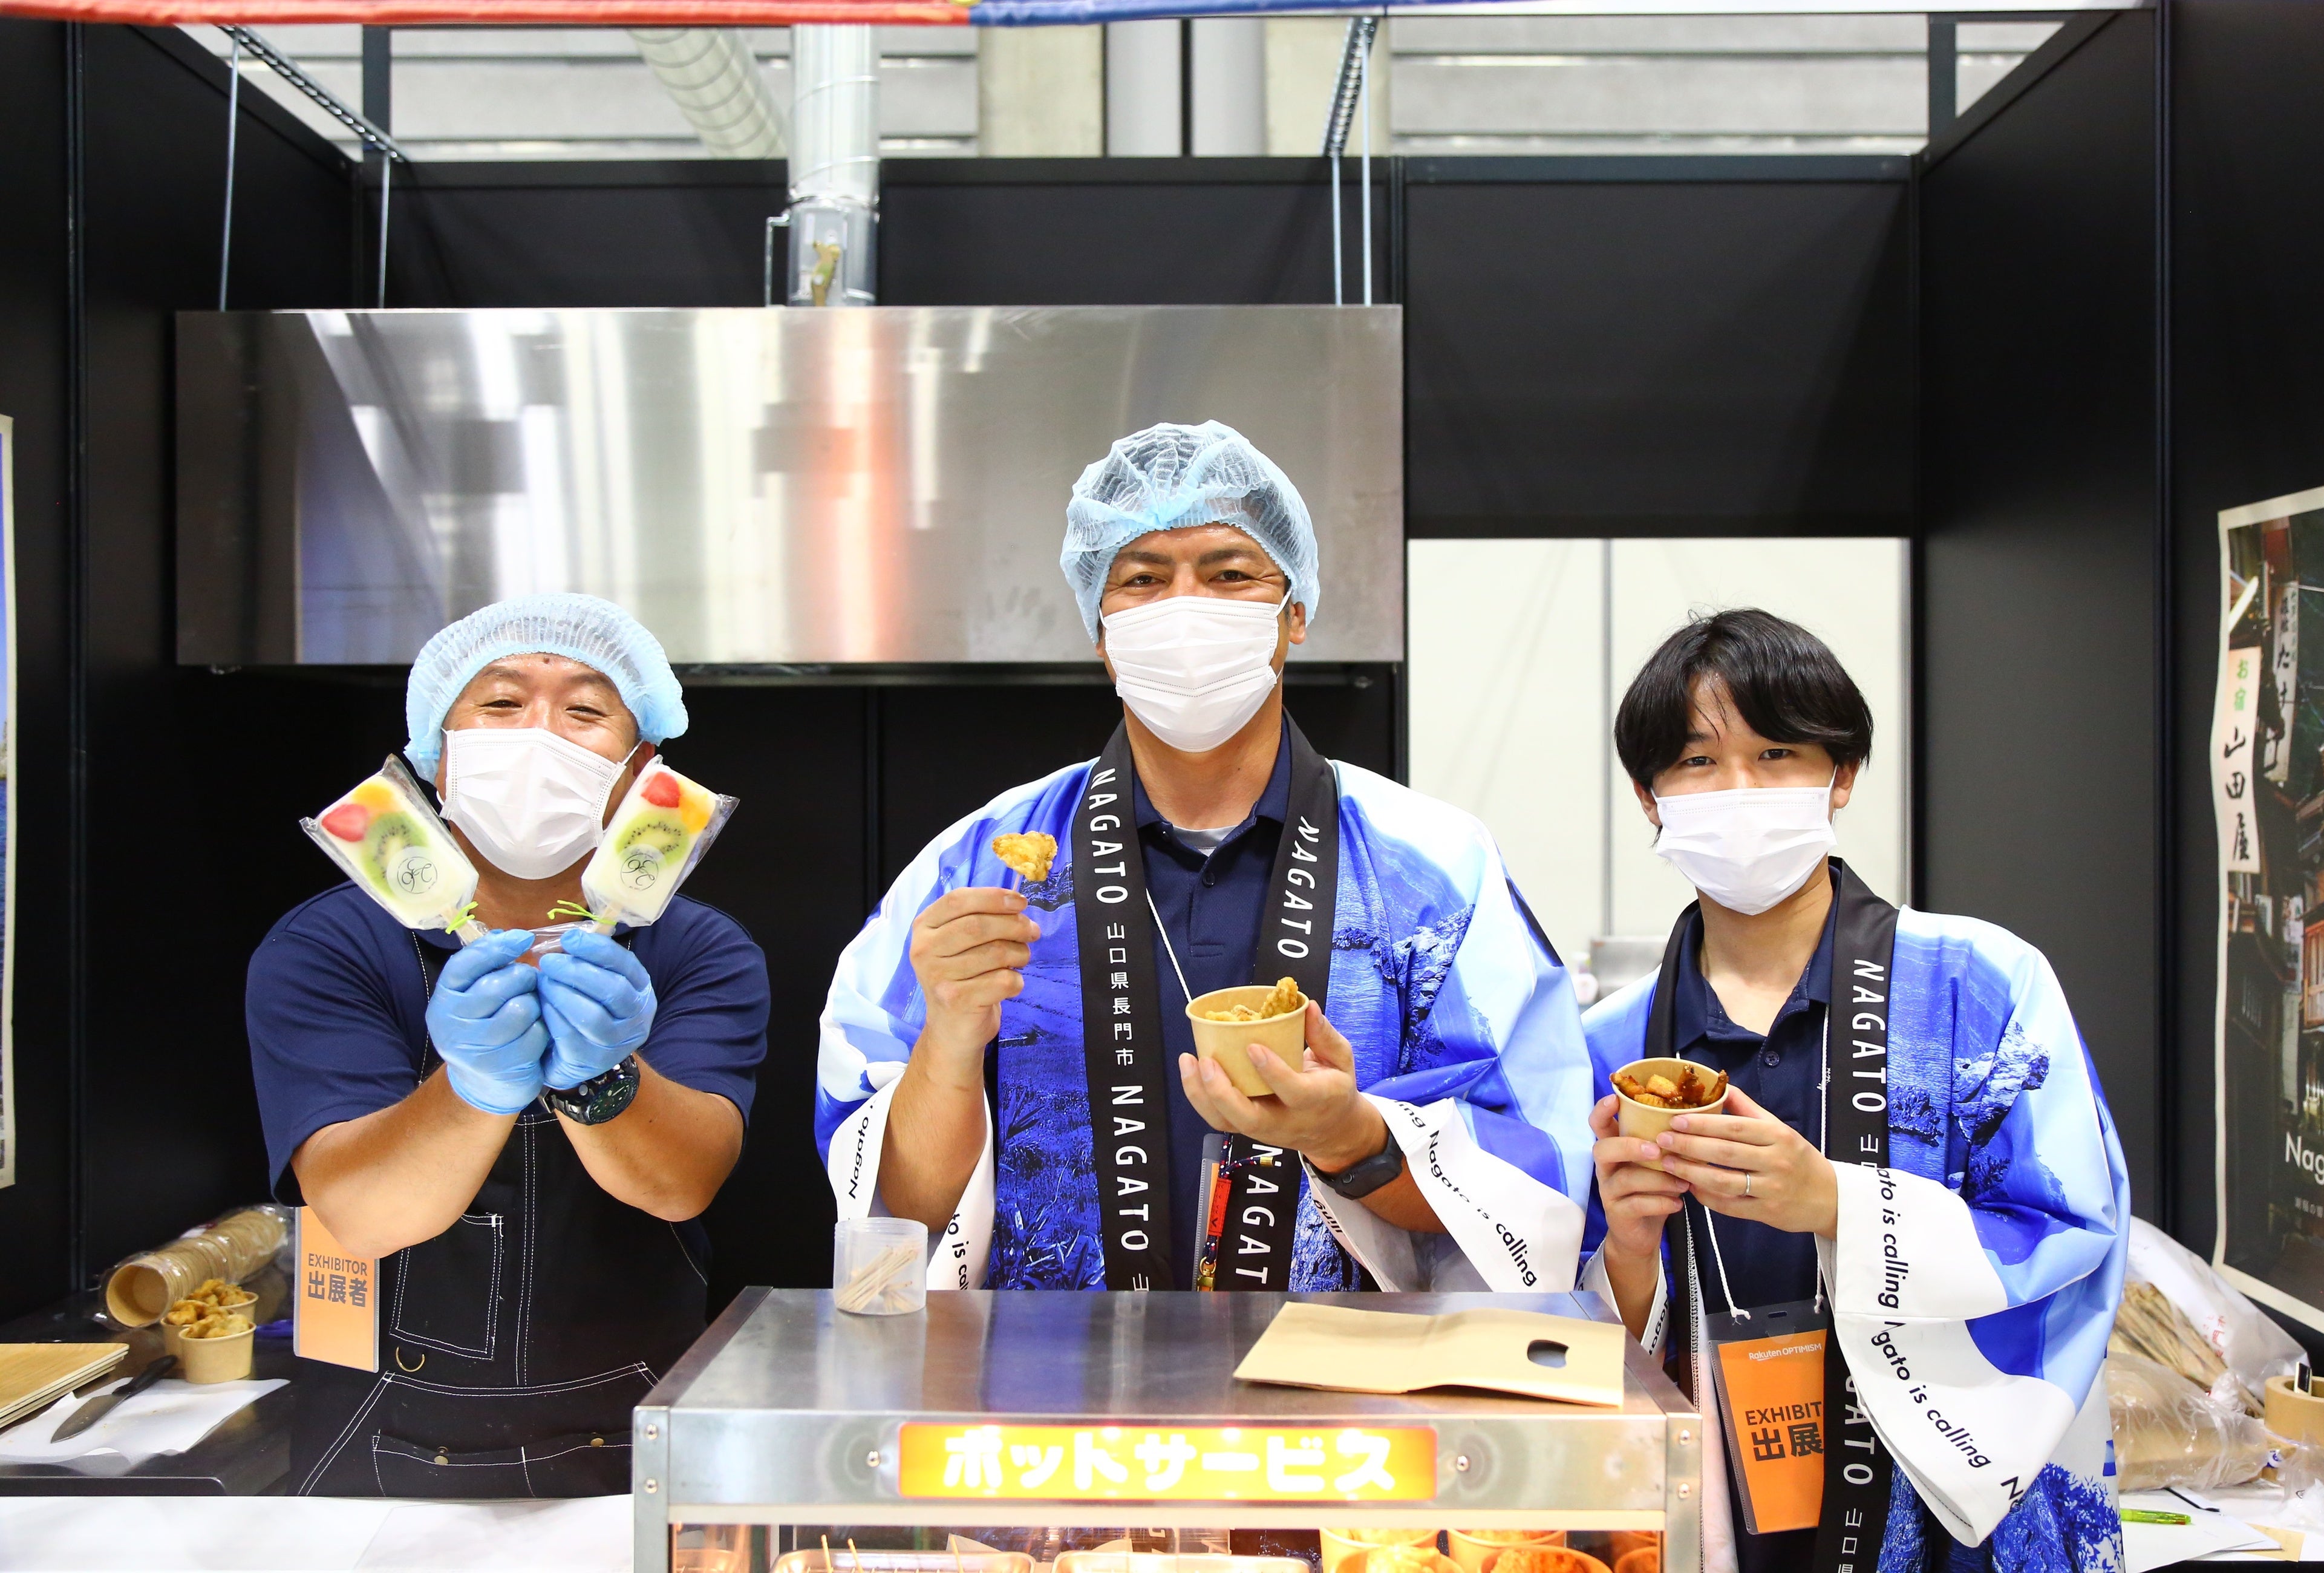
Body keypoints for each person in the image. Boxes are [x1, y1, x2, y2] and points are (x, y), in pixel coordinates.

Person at [818, 420, 1590, 1292]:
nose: (1185, 609)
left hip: (1343, 1374)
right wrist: (951, 1042)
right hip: (1046, 1373)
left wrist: (1349, 1141)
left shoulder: (1435, 872)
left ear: (1294, 613)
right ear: (1100, 630)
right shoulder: (974, 874)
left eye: (1230, 575)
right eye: (1143, 580)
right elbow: (897, 1220)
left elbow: (1535, 1185)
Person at [1579, 609, 2127, 1573]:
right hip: (1712, 1512)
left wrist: (1836, 1204)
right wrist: (1627, 1254)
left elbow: (2072, 1232)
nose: (1739, 789)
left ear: (1842, 774)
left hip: (1943, 1519)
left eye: (1776, 753)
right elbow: (1559, 1319)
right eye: (1698, 761)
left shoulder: (1982, 985)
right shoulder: (1611, 1047)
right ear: (1648, 796)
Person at [249, 593, 768, 1497]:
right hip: (376, 1444)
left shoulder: (698, 950)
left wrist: (604, 1081)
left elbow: (682, 1182)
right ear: (437, 755)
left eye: (586, 711)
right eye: (500, 703)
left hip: (637, 1434)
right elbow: (361, 1215)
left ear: (640, 771)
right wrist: (472, 1086)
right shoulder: (328, 947)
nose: (539, 737)